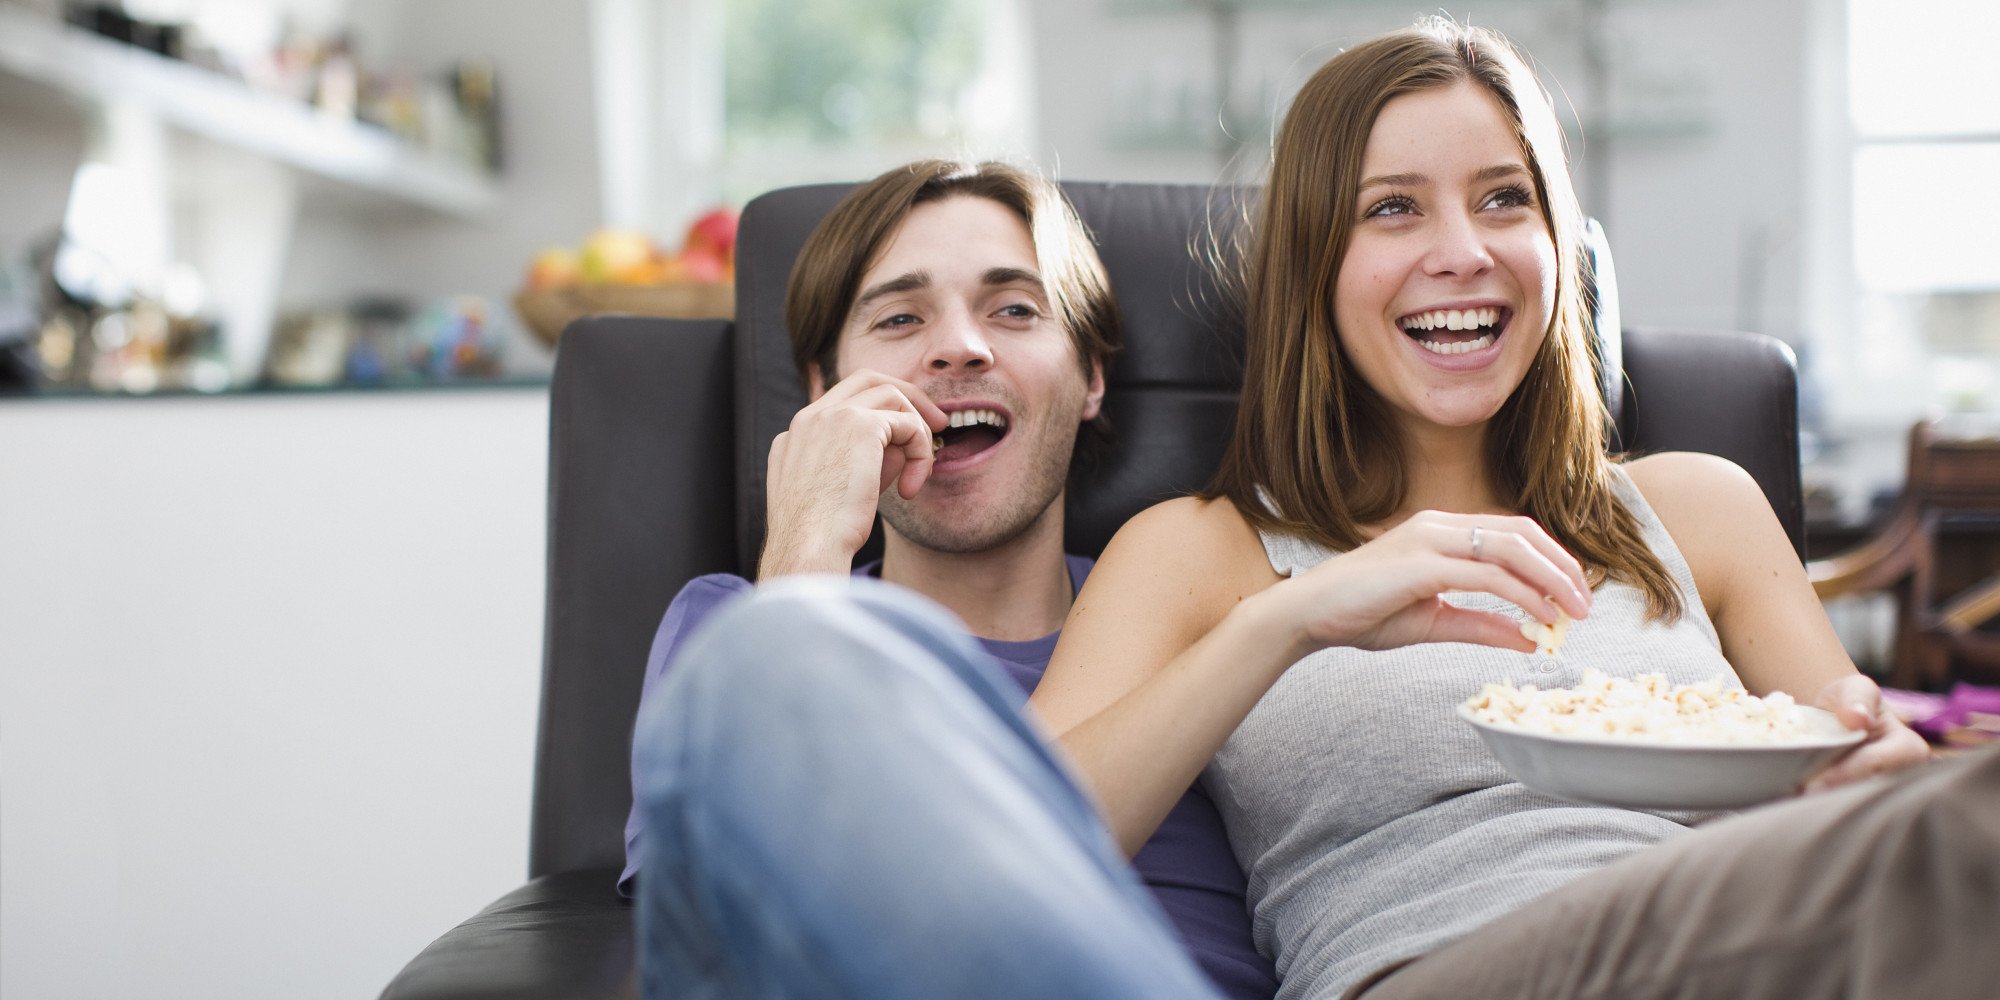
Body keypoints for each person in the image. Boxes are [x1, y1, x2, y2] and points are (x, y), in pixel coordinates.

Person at [1028, 16, 1985, 1000]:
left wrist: (1874, 769)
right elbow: (1019, 839)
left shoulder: (1701, 508)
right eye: (1392, 209)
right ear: (1310, 265)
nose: (1462, 251)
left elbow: (1848, 774)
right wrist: (1292, 618)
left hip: (1751, 936)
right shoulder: (1197, 550)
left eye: (1502, 199)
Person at [623, 159, 1278, 999]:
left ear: (1091, 376)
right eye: (900, 318)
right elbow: (730, 942)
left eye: (1014, 310)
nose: (961, 347)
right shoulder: (724, 636)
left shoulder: (1203, 614)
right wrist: (805, 551)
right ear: (822, 391)